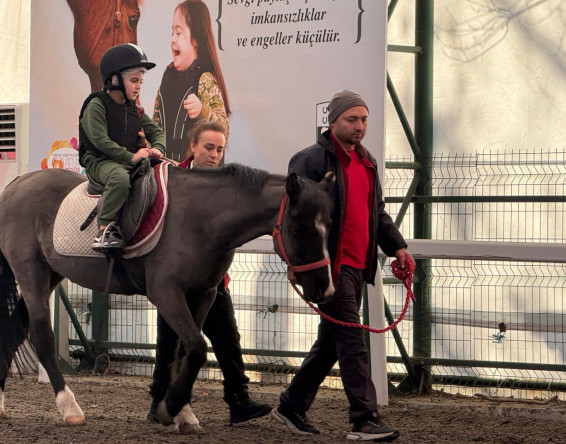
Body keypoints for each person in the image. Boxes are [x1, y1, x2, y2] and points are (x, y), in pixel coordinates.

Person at [271, 91, 415, 442]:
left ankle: (291, 405)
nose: (359, 126)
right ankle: (364, 419)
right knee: (351, 339)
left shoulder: (367, 163)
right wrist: (294, 263)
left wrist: (398, 247)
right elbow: (295, 220)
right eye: (352, 119)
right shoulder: (309, 160)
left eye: (364, 120)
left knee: (333, 342)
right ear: (332, 121)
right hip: (327, 267)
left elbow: (376, 212)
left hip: (357, 267)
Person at [147, 121, 272, 425]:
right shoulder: (173, 180)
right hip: (175, 282)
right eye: (209, 147)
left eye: (220, 149)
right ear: (192, 146)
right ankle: (157, 404)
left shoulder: (228, 185)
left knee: (228, 338)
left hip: (213, 281)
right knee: (169, 343)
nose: (215, 154)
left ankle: (239, 401)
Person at [78, 43, 165, 252]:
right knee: (120, 178)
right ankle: (105, 229)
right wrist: (131, 157)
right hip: (99, 161)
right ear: (114, 80)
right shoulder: (96, 105)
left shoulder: (135, 110)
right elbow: (100, 141)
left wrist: (158, 149)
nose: (138, 87)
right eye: (134, 80)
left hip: (124, 160)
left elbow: (157, 132)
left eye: (141, 82)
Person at [153, 0, 230, 163]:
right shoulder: (167, 79)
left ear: (196, 39)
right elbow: (156, 124)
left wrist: (202, 110)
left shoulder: (204, 79)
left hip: (197, 175)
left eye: (179, 33)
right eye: (172, 33)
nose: (173, 39)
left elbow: (224, 130)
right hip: (168, 168)